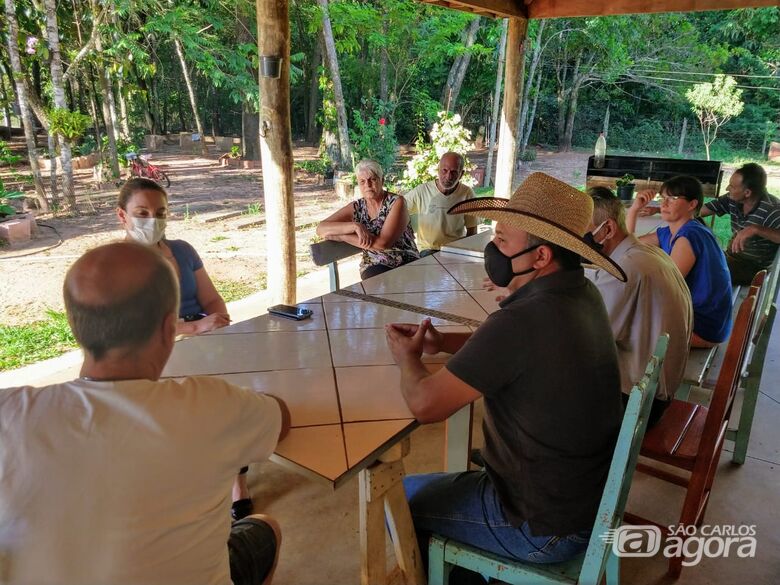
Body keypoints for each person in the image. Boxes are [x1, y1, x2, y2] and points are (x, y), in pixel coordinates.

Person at [0, 242, 290, 585]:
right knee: (263, 528)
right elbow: (281, 419)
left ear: (76, 328)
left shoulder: (9, 411)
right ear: (170, 328)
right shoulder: (212, 404)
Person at [384, 173, 626, 568]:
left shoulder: (523, 321)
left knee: (398, 499)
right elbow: (511, 352)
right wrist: (442, 343)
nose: (492, 248)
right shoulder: (582, 293)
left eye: (502, 241)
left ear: (542, 256)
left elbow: (424, 406)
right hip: (581, 500)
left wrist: (406, 358)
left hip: (539, 525)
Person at [587, 186, 693, 426]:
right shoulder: (647, 254)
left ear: (608, 229)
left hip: (637, 403)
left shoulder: (623, 271)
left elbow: (592, 340)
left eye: (580, 234)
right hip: (658, 388)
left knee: (540, 376)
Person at [627, 175, 732, 348]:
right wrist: (634, 210)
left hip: (702, 325)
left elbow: (666, 287)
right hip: (692, 315)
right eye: (663, 198)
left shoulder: (690, 235)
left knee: (622, 328)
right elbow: (630, 246)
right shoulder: (672, 231)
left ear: (692, 204)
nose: (664, 204)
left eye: (673, 198)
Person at [117, 177, 231, 335]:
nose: (153, 220)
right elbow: (130, 326)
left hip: (204, 341)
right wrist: (194, 327)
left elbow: (212, 300)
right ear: (122, 215)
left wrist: (218, 326)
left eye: (160, 213)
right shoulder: (112, 263)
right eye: (142, 213)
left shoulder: (183, 251)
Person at [316, 159, 419, 279]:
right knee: (376, 285)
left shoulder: (396, 202)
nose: (368, 185)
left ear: (382, 180)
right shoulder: (358, 207)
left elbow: (383, 244)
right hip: (374, 265)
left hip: (406, 260)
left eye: (373, 179)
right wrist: (355, 226)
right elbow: (320, 229)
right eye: (362, 181)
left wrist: (341, 236)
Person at [700, 163, 780, 285]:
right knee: (694, 256)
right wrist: (664, 209)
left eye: (732, 186)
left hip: (754, 268)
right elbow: (700, 211)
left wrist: (755, 229)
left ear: (747, 193)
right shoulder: (733, 199)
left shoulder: (773, 209)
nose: (727, 189)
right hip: (731, 258)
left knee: (700, 271)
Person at [403, 152, 478, 254]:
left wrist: (467, 254)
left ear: (461, 174)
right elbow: (397, 208)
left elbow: (472, 231)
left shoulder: (467, 194)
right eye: (444, 170)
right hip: (428, 249)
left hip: (455, 250)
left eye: (454, 172)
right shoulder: (421, 191)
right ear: (438, 170)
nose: (448, 176)